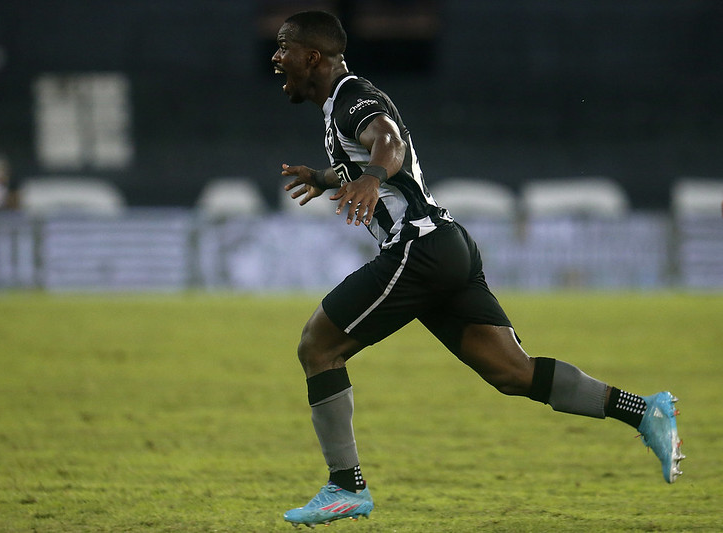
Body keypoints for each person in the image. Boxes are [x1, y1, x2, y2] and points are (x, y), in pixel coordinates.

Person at [272, 11, 683, 528]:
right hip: (447, 247)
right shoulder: (341, 103)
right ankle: (645, 411)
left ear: (312, 57)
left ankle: (345, 486)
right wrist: (328, 175)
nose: (276, 55)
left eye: (284, 46)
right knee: (513, 372)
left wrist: (372, 177)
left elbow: (389, 142)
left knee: (319, 346)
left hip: (418, 250)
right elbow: (370, 155)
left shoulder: (353, 96)